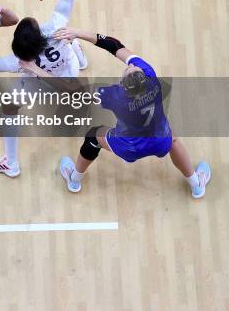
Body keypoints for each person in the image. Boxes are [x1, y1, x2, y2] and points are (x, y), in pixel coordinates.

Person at [53, 28, 211, 199]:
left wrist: (38, 69)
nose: (132, 65)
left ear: (122, 84)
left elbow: (73, 91)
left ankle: (74, 179)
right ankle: (196, 185)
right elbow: (117, 47)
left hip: (129, 147)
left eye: (130, 68)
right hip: (160, 141)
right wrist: (78, 33)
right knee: (173, 138)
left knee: (93, 136)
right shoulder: (151, 78)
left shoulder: (114, 96)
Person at [0, 0, 87, 177]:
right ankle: (78, 49)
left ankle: (11, 164)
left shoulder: (17, 61)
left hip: (48, 85)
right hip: (70, 71)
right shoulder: (55, 27)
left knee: (9, 106)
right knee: (69, 36)